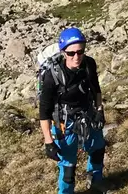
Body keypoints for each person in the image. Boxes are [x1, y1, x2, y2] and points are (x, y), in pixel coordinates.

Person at [39, 27, 108, 194]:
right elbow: (44, 111)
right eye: (71, 53)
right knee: (68, 166)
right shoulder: (52, 76)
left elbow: (96, 90)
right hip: (65, 123)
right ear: (63, 52)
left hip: (88, 115)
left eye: (80, 51)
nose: (76, 57)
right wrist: (48, 141)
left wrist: (100, 111)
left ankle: (96, 183)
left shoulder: (89, 64)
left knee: (98, 150)